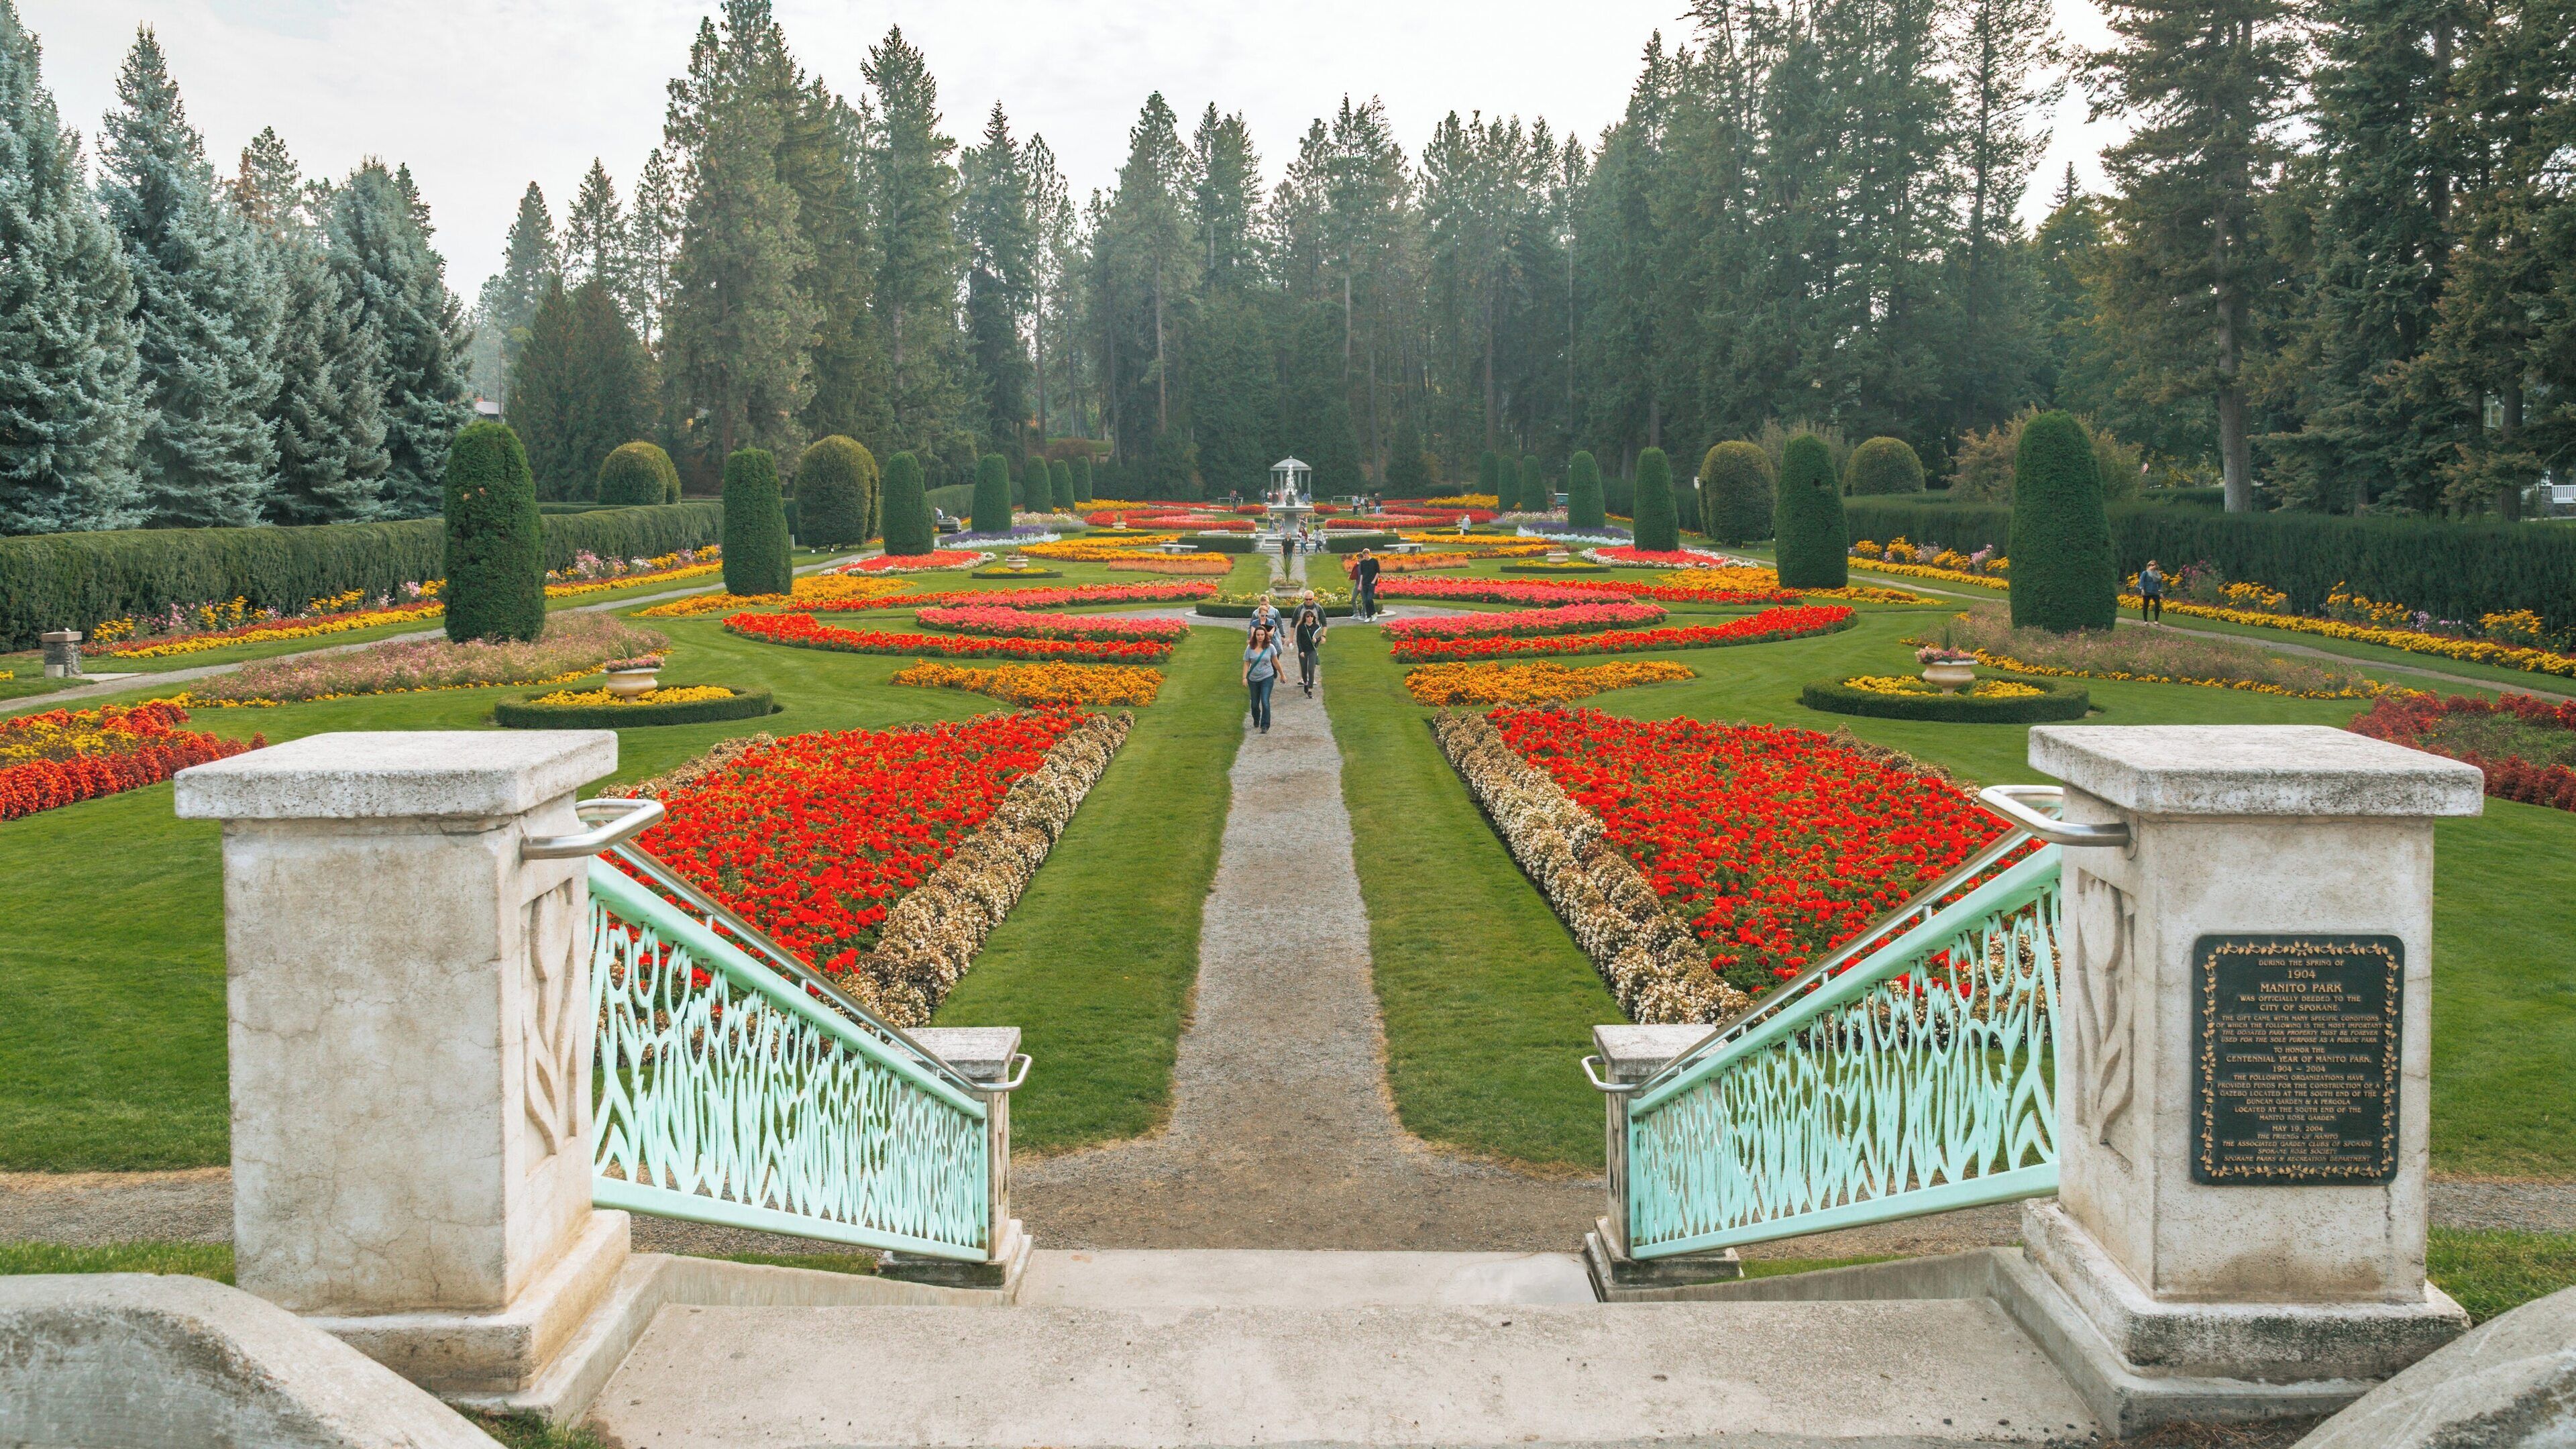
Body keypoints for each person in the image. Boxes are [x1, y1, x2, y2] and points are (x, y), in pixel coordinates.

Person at [1242, 623, 1283, 733]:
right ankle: (1256, 718)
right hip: (1253, 679)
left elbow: (1276, 662)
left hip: (1267, 677)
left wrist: (1282, 675)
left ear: (1265, 636)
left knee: (1265, 701)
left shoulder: (1270, 647)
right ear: (1255, 636)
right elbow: (1246, 663)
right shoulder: (1250, 648)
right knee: (1255, 704)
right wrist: (1244, 678)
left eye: (1262, 635)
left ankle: (1265, 725)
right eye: (1258, 635)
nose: (1260, 637)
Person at [1292, 599, 1327, 696]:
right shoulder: (1301, 627)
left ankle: (1310, 690)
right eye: (1308, 617)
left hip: (1312, 650)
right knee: (1304, 670)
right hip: (1304, 650)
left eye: (1311, 616)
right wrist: (1301, 651)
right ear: (1305, 618)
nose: (1310, 618)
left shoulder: (1316, 627)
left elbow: (1319, 636)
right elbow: (1298, 640)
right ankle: (1306, 683)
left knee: (1311, 669)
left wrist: (1317, 640)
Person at [1352, 547, 1382, 622]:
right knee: (1365, 600)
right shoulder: (1363, 563)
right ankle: (1369, 616)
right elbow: (1362, 574)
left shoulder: (1374, 561)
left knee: (1369, 599)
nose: (1364, 557)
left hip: (1371, 584)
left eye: (1365, 555)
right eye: (1364, 555)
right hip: (1364, 583)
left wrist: (1373, 581)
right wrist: (1360, 584)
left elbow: (1378, 572)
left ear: (1368, 554)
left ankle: (1374, 613)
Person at [2138, 559, 2165, 623]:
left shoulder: (2158, 574)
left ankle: (2156, 620)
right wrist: (2142, 589)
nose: (2151, 566)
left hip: (2155, 591)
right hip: (2147, 591)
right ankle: (2146, 621)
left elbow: (2160, 584)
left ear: (2156, 566)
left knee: (2157, 605)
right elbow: (2141, 581)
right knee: (2146, 606)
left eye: (2153, 565)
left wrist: (2161, 592)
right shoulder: (2145, 573)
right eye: (2150, 565)